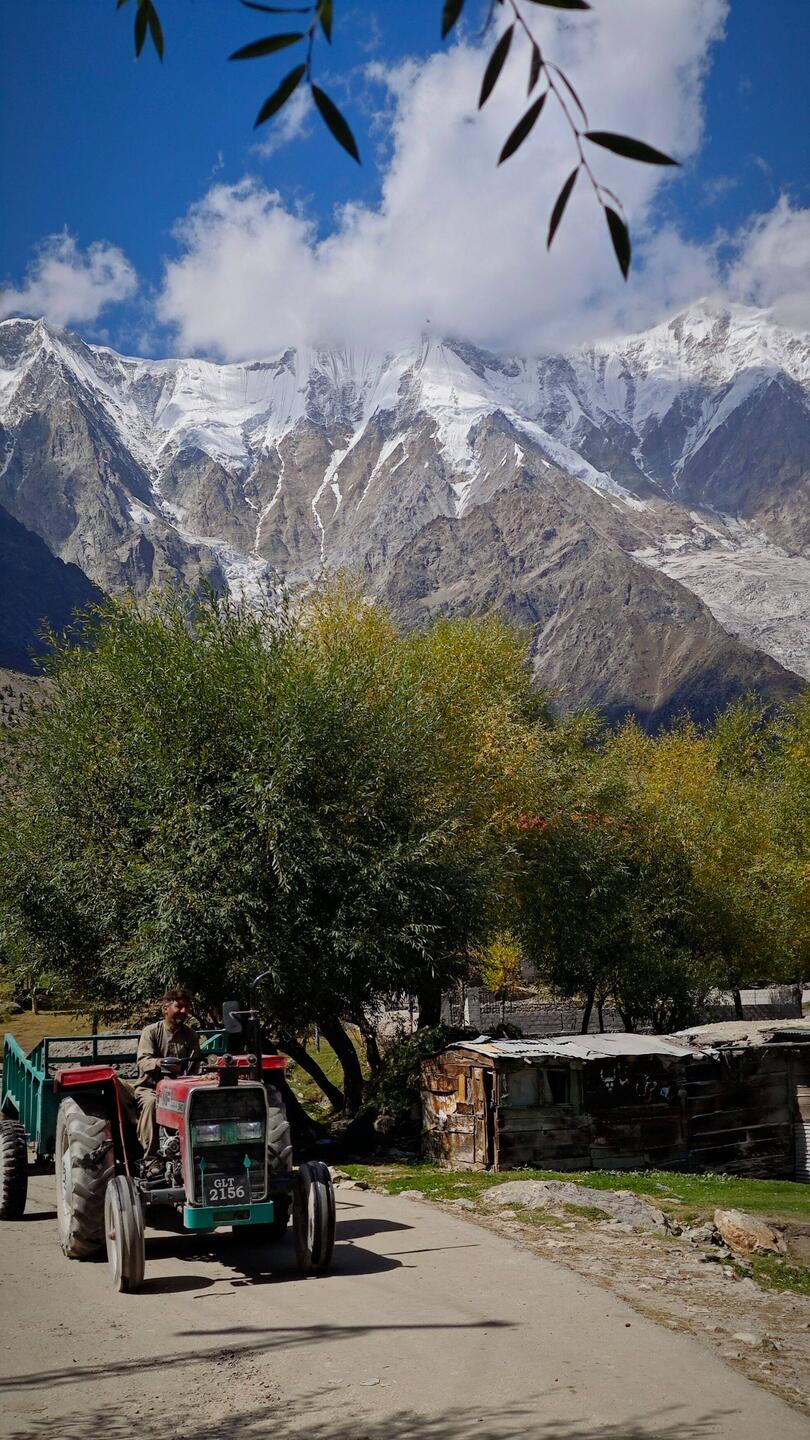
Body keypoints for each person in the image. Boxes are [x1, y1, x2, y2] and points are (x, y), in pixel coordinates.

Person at [131, 988, 202, 1166]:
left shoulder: (191, 1036)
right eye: (179, 1007)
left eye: (187, 1007)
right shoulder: (151, 1032)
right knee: (150, 1105)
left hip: (180, 1088)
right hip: (150, 1088)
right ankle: (151, 1159)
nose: (184, 1011)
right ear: (166, 1009)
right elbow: (143, 1061)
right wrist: (161, 1063)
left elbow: (194, 1067)